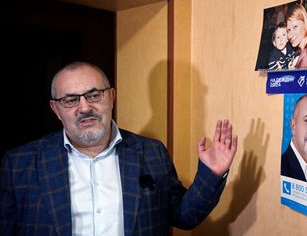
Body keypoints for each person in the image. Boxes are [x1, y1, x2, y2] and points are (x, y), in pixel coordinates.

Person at [0, 61, 238, 235]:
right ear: (56, 109)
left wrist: (212, 173)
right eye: (71, 100)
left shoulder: (151, 153)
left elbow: (184, 216)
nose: (84, 107)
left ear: (111, 97)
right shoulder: (19, 164)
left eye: (93, 95)